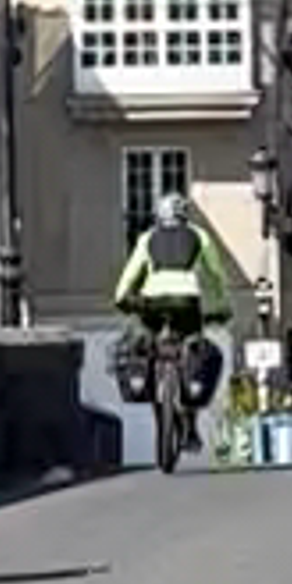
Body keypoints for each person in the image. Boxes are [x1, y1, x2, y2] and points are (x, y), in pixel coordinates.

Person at [111, 180, 240, 444]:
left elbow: (130, 274)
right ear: (184, 215)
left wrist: (121, 298)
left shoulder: (147, 238)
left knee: (147, 343)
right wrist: (223, 304)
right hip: (186, 301)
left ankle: (149, 388)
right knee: (193, 348)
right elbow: (217, 274)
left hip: (153, 302)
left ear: (159, 216)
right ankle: (190, 425)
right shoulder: (200, 236)